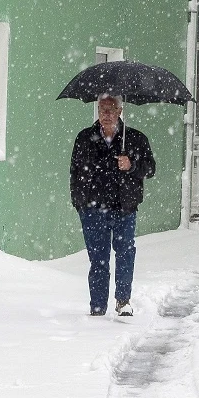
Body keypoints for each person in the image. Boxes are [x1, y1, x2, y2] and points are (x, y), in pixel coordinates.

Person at [69, 94, 155, 317]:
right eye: (102, 109)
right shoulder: (85, 138)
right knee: (98, 259)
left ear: (120, 111)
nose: (105, 114)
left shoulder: (135, 139)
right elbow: (75, 172)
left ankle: (123, 300)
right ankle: (97, 307)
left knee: (125, 253)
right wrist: (79, 203)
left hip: (123, 207)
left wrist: (131, 165)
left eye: (110, 109)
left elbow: (150, 168)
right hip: (92, 208)